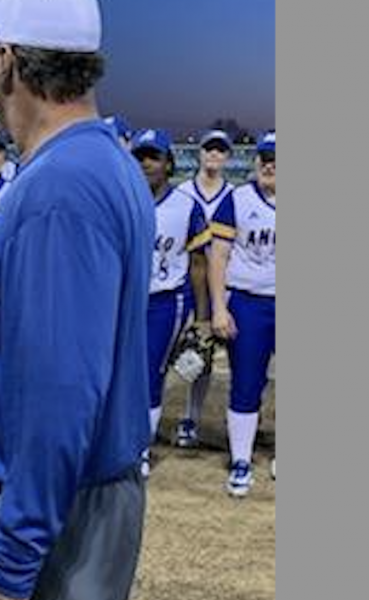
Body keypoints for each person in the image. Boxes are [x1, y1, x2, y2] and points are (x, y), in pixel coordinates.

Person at [0, 1, 153, 599]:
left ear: (6, 60)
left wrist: (12, 557)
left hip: (50, 512)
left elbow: (62, 386)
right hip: (80, 499)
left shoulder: (62, 183)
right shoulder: (99, 157)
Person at [129, 128, 211, 474]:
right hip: (125, 301)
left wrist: (203, 318)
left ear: (169, 164)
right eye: (140, 156)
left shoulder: (187, 205)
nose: (146, 163)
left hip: (166, 301)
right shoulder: (121, 200)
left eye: (154, 156)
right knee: (119, 373)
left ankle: (141, 450)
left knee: (151, 372)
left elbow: (199, 264)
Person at [209, 131, 276, 497]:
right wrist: (219, 308)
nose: (270, 165)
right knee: (246, 382)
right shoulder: (237, 199)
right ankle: (241, 460)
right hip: (248, 302)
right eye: (264, 158)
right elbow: (218, 257)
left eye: (277, 160)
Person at [169, 128, 236, 448]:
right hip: (184, 283)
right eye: (209, 148)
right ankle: (173, 415)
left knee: (210, 354)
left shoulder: (234, 195)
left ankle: (196, 417)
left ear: (228, 157)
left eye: (220, 150)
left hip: (223, 285)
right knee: (181, 353)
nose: (214, 154)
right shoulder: (181, 193)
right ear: (199, 153)